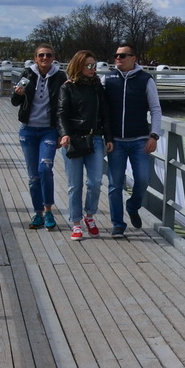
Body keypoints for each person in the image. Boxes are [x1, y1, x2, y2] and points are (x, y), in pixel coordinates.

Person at [102, 45, 162, 238]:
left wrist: (154, 135)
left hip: (140, 140)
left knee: (143, 179)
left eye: (122, 55)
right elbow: (97, 105)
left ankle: (133, 206)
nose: (118, 58)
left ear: (133, 58)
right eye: (116, 55)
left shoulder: (145, 79)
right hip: (115, 142)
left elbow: (155, 109)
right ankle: (118, 224)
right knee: (115, 184)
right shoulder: (108, 79)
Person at [58, 50, 113, 241]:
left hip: (95, 138)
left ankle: (89, 215)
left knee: (95, 182)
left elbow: (105, 115)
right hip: (73, 140)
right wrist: (64, 134)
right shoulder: (68, 87)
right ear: (78, 66)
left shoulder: (98, 87)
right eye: (89, 65)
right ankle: (75, 222)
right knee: (75, 185)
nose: (93, 69)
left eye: (94, 65)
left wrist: (109, 138)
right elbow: (62, 113)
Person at [12, 44, 65, 230]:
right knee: (33, 176)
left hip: (48, 130)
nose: (44, 58)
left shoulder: (60, 77)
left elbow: (63, 106)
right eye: (41, 55)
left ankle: (49, 210)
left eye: (48, 55)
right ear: (36, 58)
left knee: (45, 168)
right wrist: (19, 93)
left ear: (53, 58)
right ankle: (38, 213)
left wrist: (62, 133)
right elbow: (14, 102)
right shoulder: (27, 74)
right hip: (28, 130)